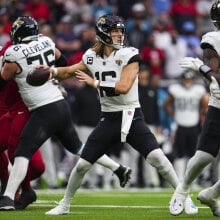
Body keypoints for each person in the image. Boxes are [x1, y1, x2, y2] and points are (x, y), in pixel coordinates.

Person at [41, 14, 198, 215]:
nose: (118, 35)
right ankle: (65, 204)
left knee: (158, 157)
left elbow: (123, 87)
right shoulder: (91, 56)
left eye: (120, 31)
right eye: (114, 31)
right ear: (103, 34)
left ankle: (183, 196)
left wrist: (95, 83)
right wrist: (51, 72)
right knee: (82, 166)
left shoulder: (129, 54)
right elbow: (70, 71)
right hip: (108, 118)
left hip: (131, 116)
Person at [0, 16, 132, 211]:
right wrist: (52, 77)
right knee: (78, 147)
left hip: (43, 108)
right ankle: (118, 168)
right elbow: (61, 59)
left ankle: (8, 198)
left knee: (22, 152)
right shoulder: (46, 41)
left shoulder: (13, 53)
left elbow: (3, 81)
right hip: (60, 105)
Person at [169, 0, 220, 216]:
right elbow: (216, 77)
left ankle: (212, 194)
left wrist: (202, 68)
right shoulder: (214, 39)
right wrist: (203, 68)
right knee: (205, 156)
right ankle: (182, 190)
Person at [0, 40, 45, 209]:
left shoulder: (15, 53)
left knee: (37, 167)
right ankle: (8, 184)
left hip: (24, 112)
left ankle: (19, 186)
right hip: (9, 112)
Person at [164, 70, 208, 180]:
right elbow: (166, 105)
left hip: (193, 126)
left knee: (193, 154)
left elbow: (205, 105)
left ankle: (192, 179)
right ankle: (179, 178)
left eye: (189, 79)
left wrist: (199, 114)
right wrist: (174, 114)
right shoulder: (176, 90)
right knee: (179, 154)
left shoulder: (198, 90)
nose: (187, 81)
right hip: (180, 125)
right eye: (186, 79)